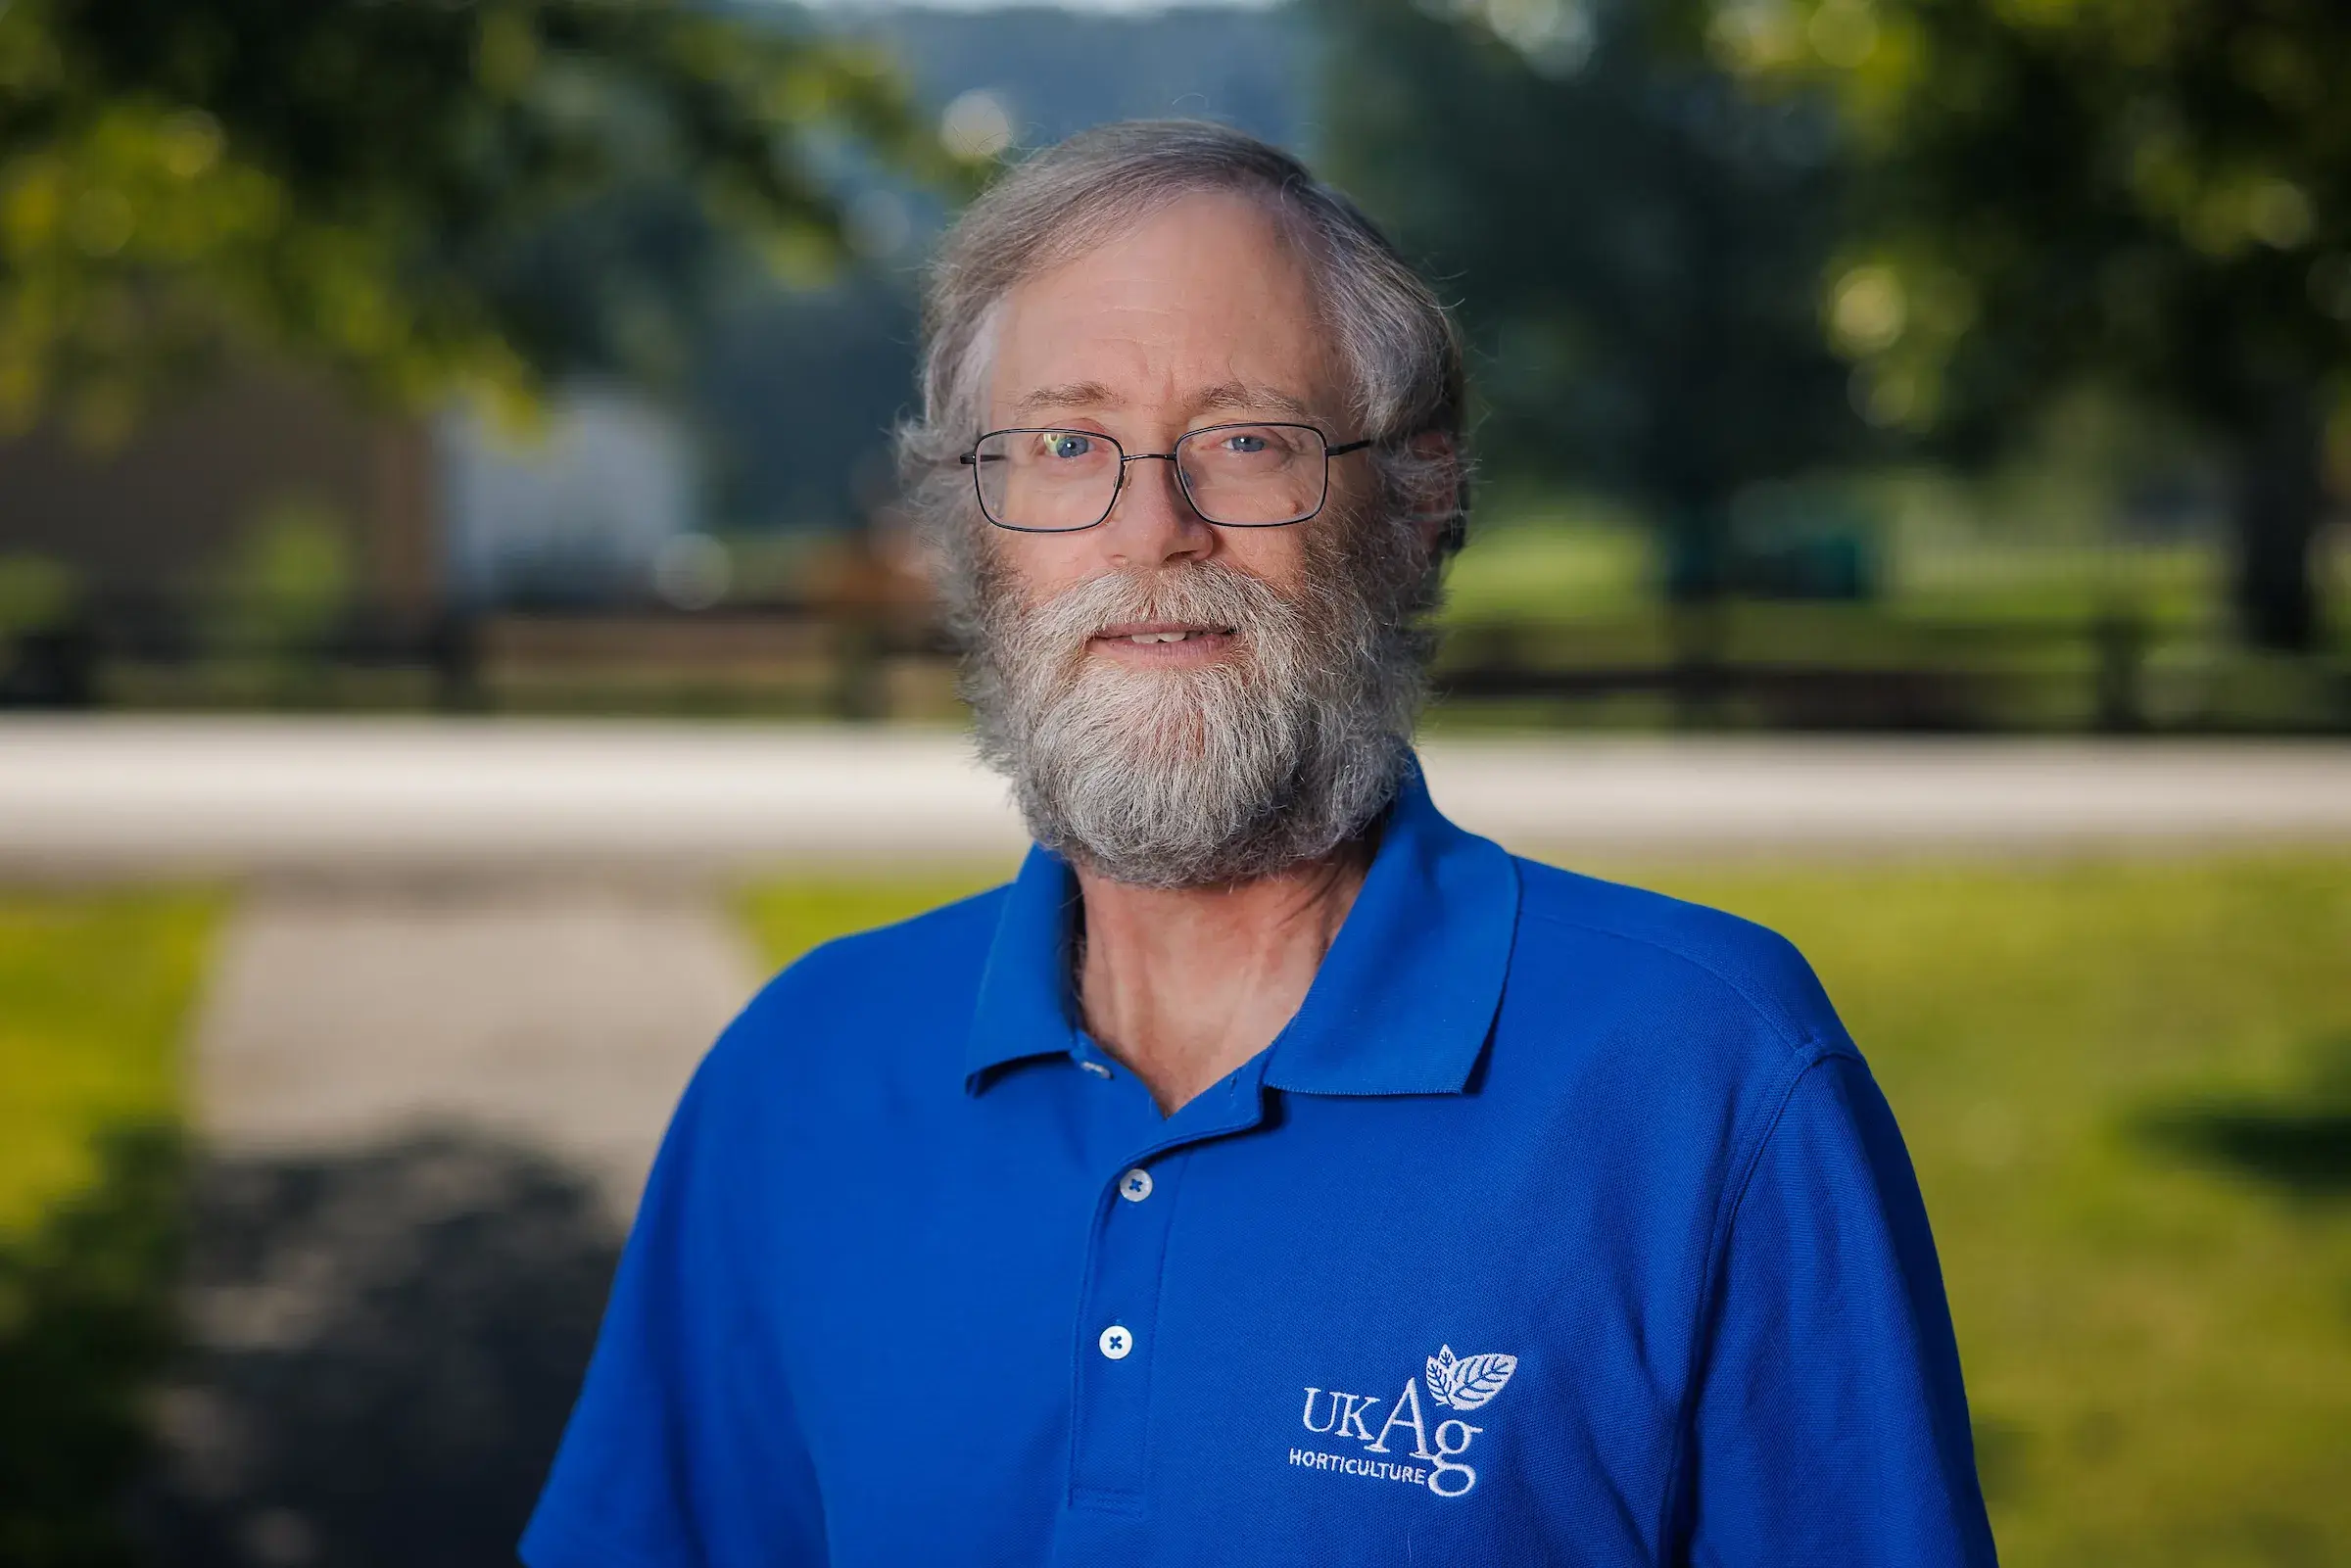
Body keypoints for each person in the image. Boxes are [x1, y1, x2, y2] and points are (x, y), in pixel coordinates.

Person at [521, 120, 1996, 1568]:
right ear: (971, 529)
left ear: (1420, 500)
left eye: (1244, 439)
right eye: (1064, 441)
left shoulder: (1707, 1082)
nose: (1152, 528)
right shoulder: (799, 1076)